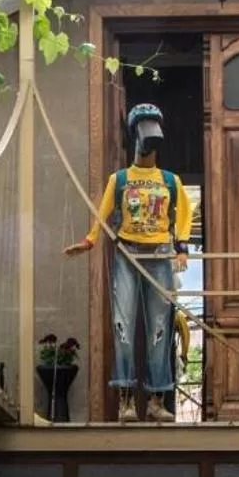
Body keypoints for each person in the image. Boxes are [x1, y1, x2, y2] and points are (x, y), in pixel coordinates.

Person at [64, 102, 193, 423]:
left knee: (160, 330)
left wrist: (181, 248)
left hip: (160, 256)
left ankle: (156, 399)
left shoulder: (170, 180)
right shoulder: (119, 179)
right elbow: (103, 213)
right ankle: (124, 400)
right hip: (127, 253)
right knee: (123, 326)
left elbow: (185, 214)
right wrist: (89, 241)